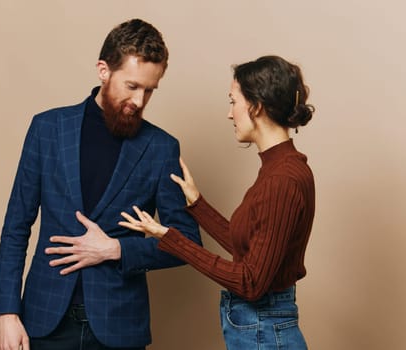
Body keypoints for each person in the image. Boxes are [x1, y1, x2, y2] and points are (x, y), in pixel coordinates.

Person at [0, 18, 200, 350]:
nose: (140, 99)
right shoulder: (47, 128)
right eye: (132, 86)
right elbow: (16, 225)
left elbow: (188, 243)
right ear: (103, 70)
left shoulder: (162, 147)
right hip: (44, 321)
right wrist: (7, 313)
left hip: (119, 326)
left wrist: (116, 249)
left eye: (150, 90)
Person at [120, 55, 315, 349]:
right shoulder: (280, 168)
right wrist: (198, 204)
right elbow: (250, 248)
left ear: (256, 106)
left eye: (233, 101)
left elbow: (250, 282)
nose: (229, 113)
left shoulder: (282, 179)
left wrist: (170, 238)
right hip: (263, 327)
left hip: (263, 331)